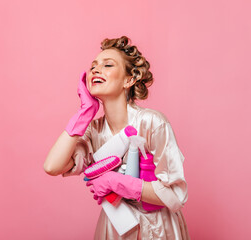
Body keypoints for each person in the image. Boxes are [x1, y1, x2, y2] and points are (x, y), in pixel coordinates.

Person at [44, 36, 190, 239]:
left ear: (129, 80)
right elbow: (52, 166)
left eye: (108, 65)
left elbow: (175, 195)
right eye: (93, 66)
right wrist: (85, 112)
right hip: (116, 229)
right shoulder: (93, 130)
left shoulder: (152, 122)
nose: (95, 69)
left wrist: (117, 183)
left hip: (158, 229)